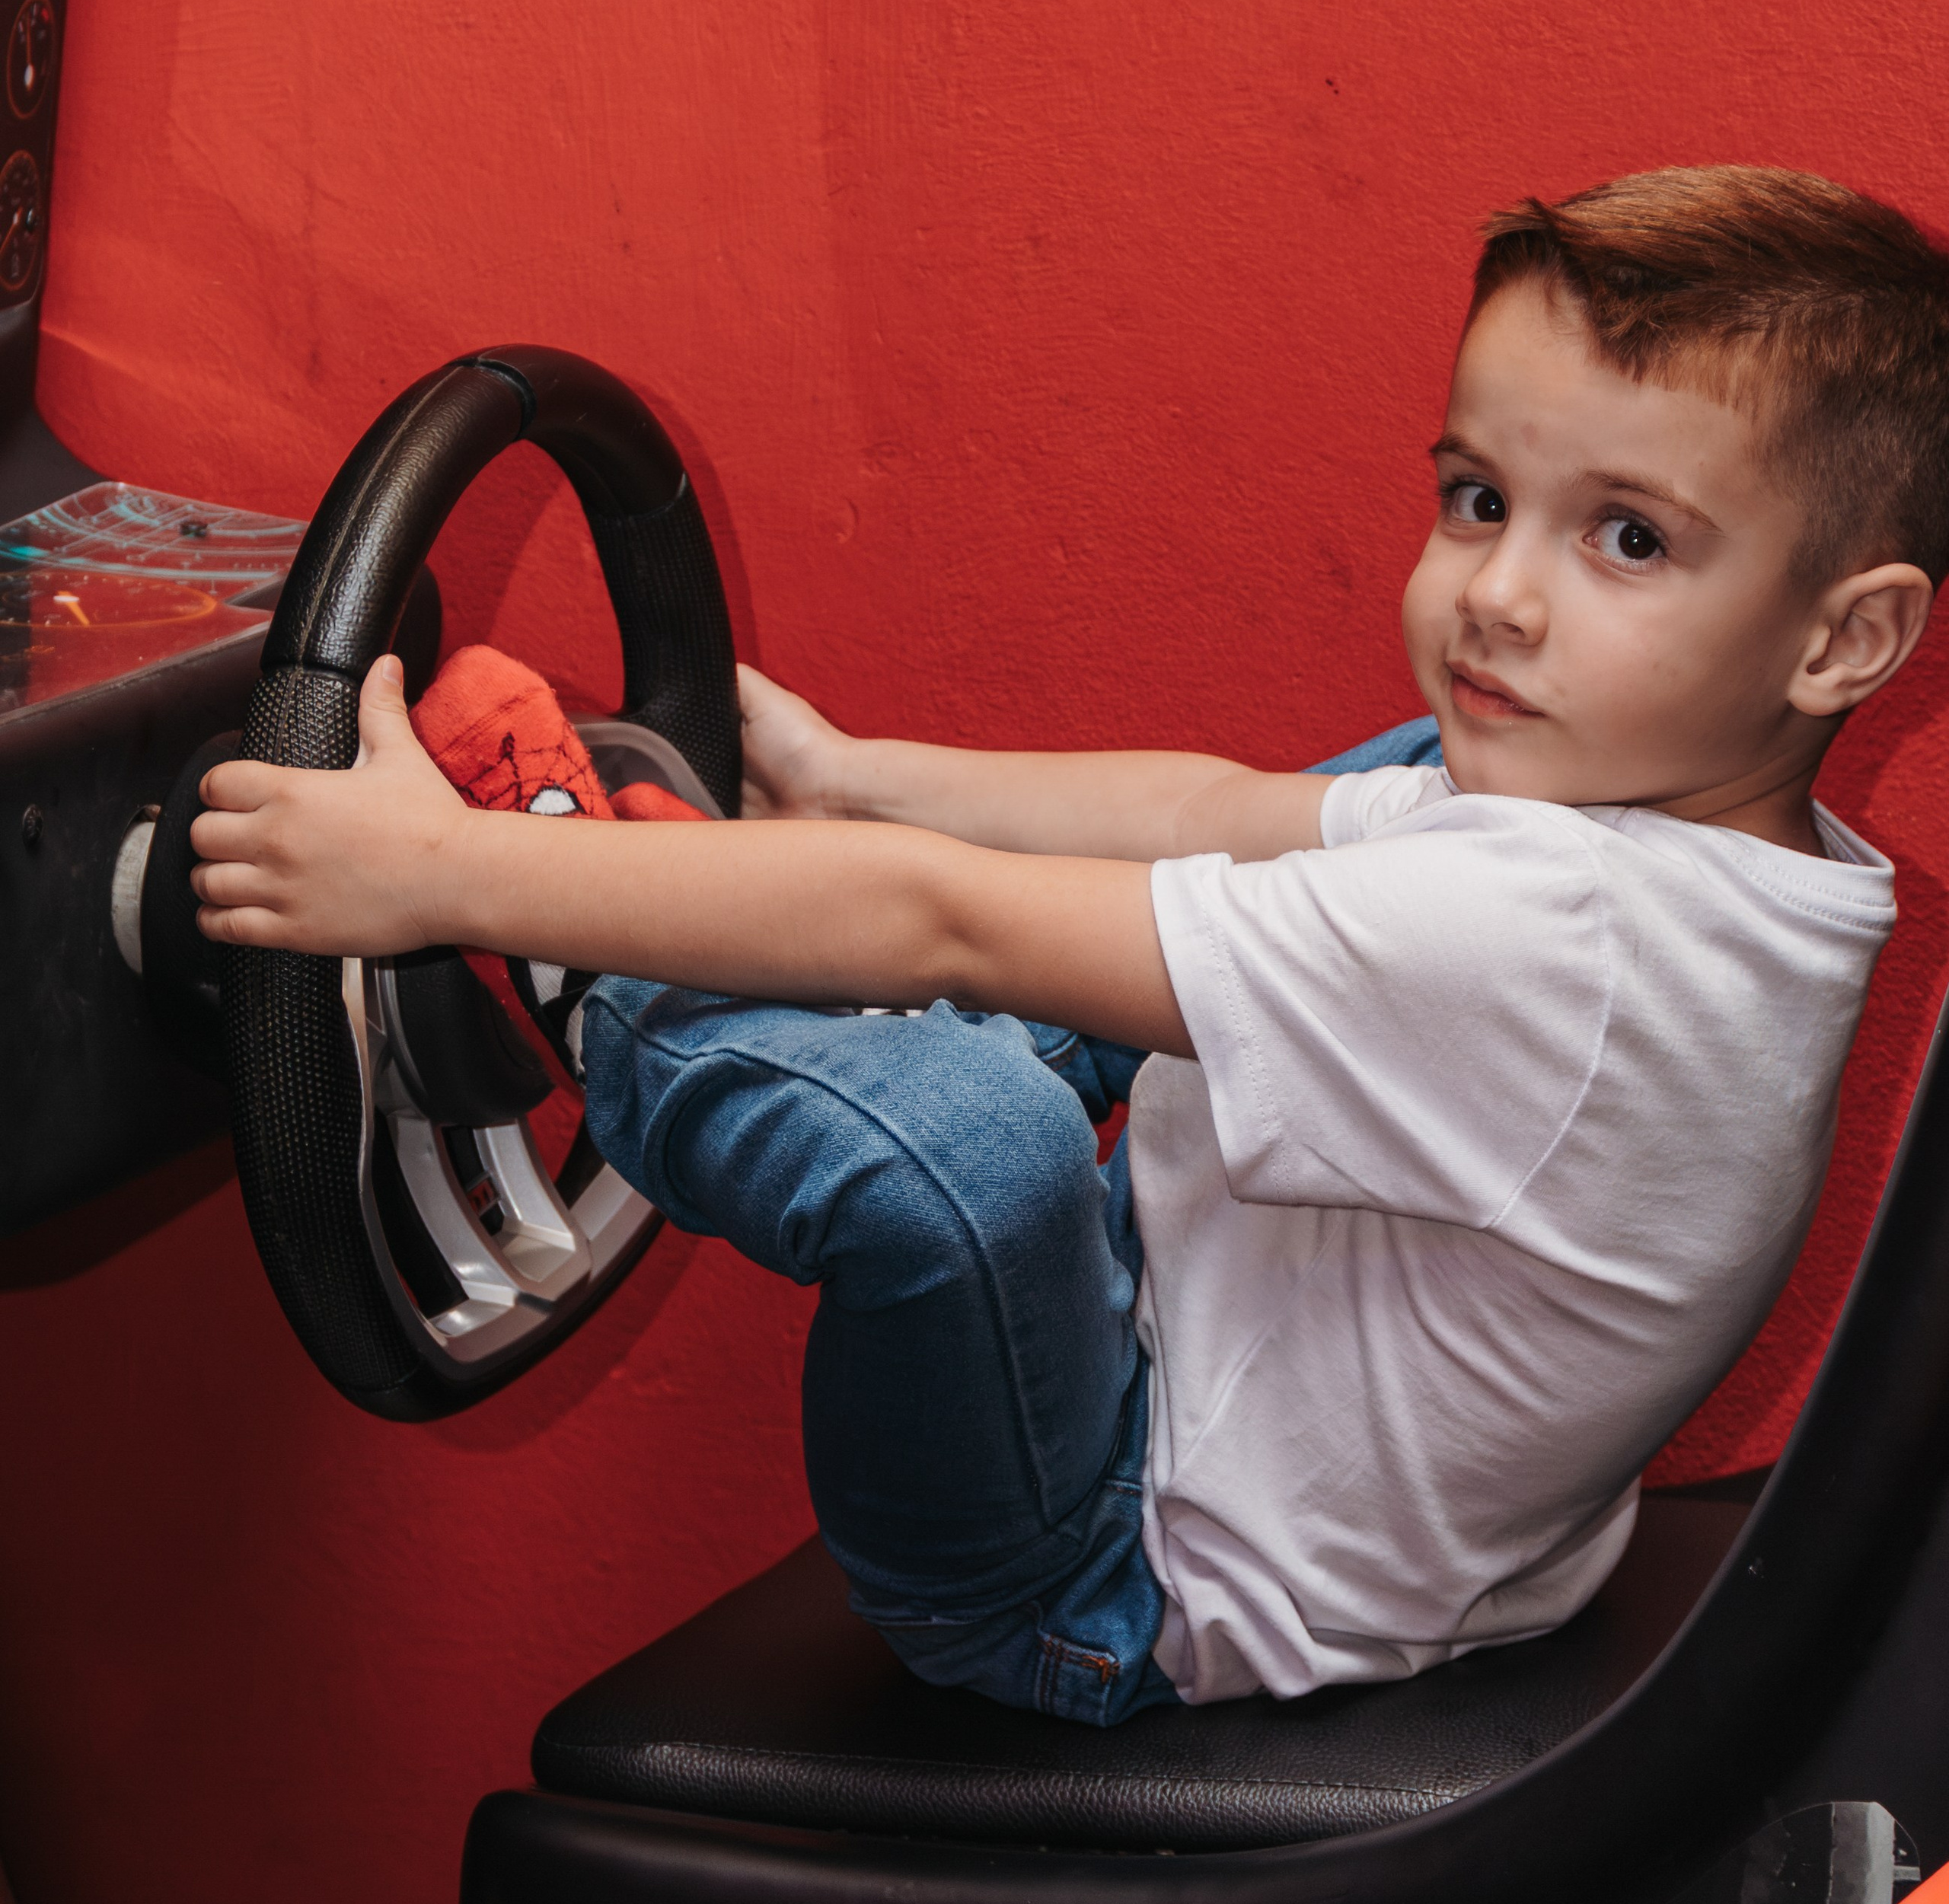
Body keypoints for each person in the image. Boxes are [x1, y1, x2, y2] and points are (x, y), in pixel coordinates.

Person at [189, 167, 1941, 1721]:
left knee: (967, 1143)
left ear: (1842, 642)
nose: (1494, 591)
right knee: (1359, 796)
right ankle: (768, 948)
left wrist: (431, 880)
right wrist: (852, 779)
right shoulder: (1711, 865)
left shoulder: (1543, 931)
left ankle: (618, 989)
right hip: (1360, 1496)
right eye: (1477, 497)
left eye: (1626, 539)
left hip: (1095, 1584)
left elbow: (949, 918)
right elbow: (1208, 812)